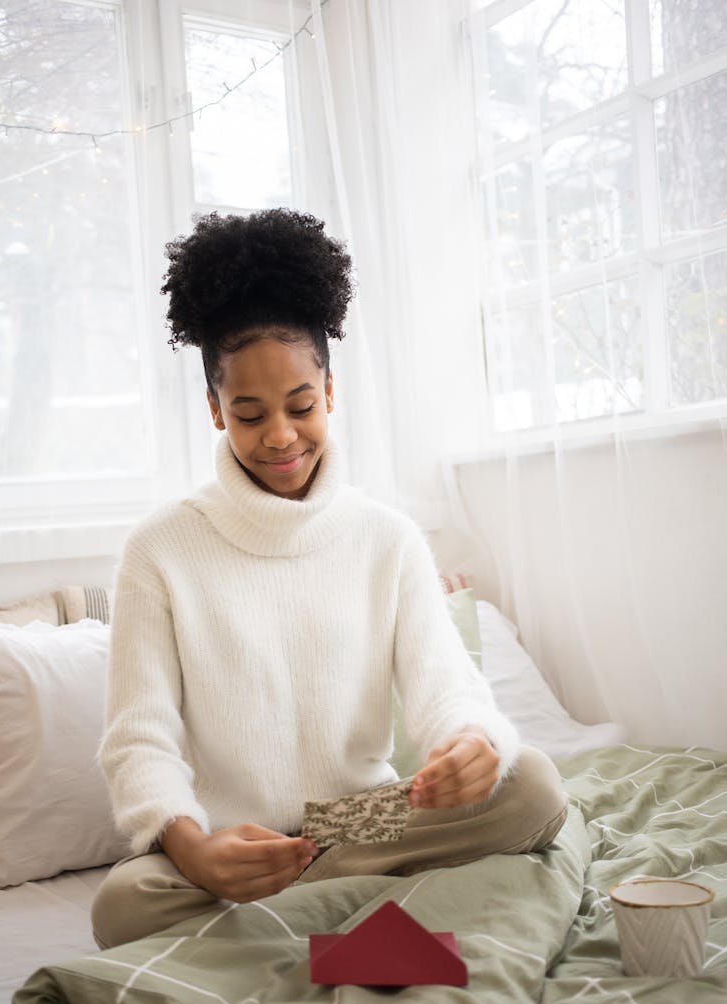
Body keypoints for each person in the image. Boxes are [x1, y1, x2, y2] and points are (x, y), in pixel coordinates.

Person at [91, 208, 567, 949]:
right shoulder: (159, 550)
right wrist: (194, 849)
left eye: (301, 405)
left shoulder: (387, 538)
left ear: (331, 393)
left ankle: (285, 925)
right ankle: (359, 910)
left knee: (532, 786)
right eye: (249, 414)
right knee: (123, 904)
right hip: (239, 838)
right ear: (216, 409)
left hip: (360, 822)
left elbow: (445, 688)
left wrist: (472, 743)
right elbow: (138, 739)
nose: (280, 435)